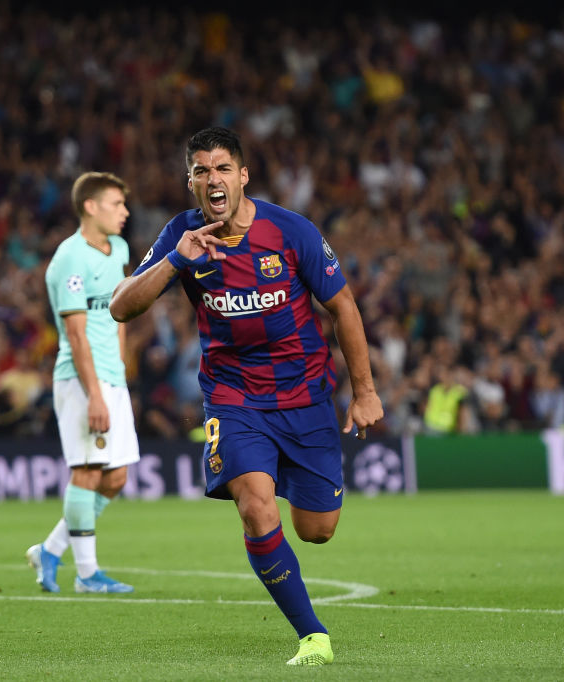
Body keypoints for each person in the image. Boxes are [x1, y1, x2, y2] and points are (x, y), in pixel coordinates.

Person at [109, 127, 383, 666]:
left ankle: (290, 488)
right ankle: (313, 636)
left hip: (305, 397)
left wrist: (365, 391)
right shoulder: (181, 234)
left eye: (222, 168)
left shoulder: (291, 231)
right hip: (234, 397)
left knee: (317, 531)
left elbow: (343, 306)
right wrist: (176, 260)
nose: (213, 179)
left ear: (243, 176)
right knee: (256, 508)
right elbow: (121, 306)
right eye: (201, 171)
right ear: (191, 182)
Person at [25, 172, 140, 594]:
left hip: (112, 377)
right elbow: (75, 335)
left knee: (116, 477)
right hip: (79, 379)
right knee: (88, 472)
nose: (125, 212)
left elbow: (120, 309)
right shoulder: (70, 259)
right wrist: (95, 395)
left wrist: (120, 364)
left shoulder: (119, 249)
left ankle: (51, 550)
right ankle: (87, 575)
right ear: (90, 207)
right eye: (116, 204)